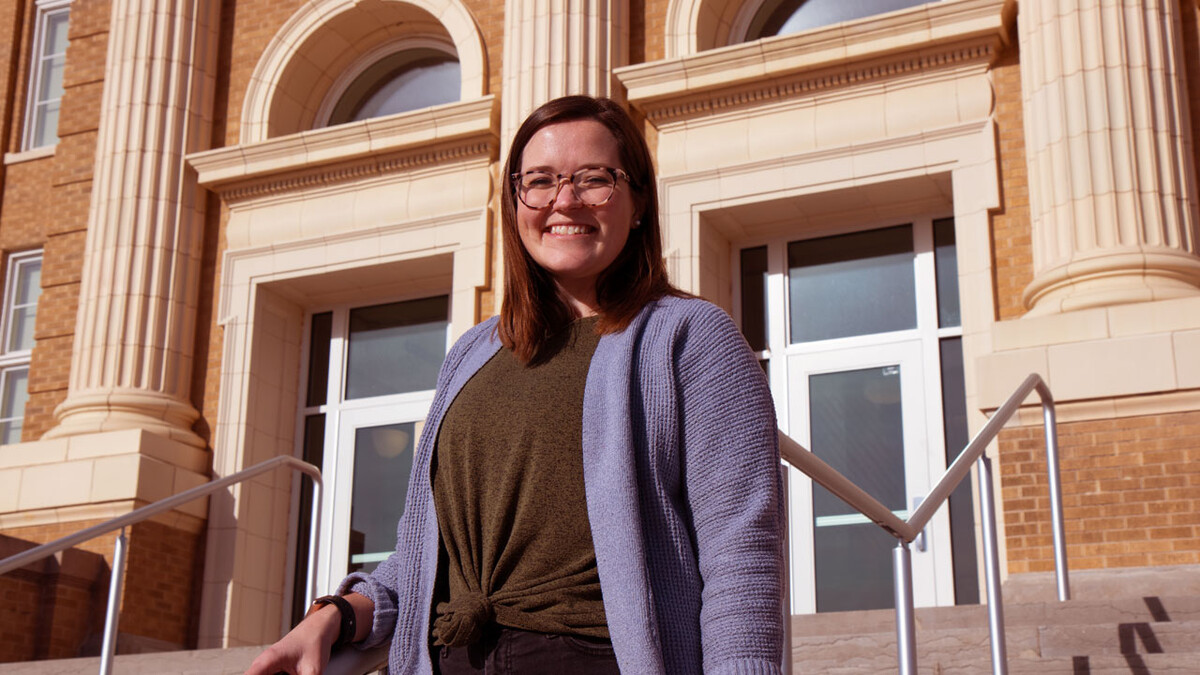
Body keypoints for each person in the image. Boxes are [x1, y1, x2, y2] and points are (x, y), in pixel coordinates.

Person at [245, 95, 785, 675]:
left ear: (638, 204)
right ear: (515, 203)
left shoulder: (691, 336)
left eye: (595, 179)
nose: (564, 200)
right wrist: (340, 613)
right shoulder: (472, 354)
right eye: (541, 181)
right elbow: (428, 553)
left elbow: (741, 553)